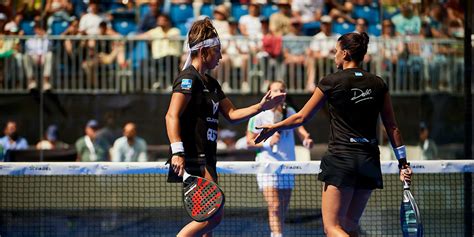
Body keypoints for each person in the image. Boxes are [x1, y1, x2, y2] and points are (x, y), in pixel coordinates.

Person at [255, 32, 413, 236]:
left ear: (345, 53)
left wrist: (274, 127)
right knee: (349, 226)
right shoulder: (378, 84)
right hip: (369, 161)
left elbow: (301, 117)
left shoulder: (331, 81)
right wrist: (403, 163)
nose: (334, 55)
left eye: (336, 51)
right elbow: (392, 126)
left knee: (332, 228)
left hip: (342, 159)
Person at [165, 17, 285, 237]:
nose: (221, 56)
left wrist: (261, 106)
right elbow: (171, 115)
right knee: (214, 214)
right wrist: (177, 152)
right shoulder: (188, 79)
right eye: (217, 51)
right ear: (203, 52)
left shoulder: (211, 83)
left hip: (208, 158)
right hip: (194, 158)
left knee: (205, 222)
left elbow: (232, 114)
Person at [247, 81, 313, 237]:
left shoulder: (290, 111)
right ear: (269, 93)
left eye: (282, 90)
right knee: (275, 205)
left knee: (282, 207)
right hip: (267, 166)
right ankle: (277, 235)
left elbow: (302, 131)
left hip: (287, 165)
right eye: (275, 90)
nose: (279, 92)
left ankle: (278, 233)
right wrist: (268, 142)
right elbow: (249, 142)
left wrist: (306, 140)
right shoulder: (259, 115)